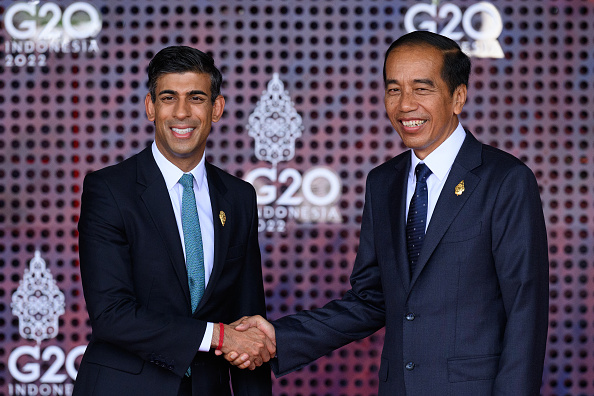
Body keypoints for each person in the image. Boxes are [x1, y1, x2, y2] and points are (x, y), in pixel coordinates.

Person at [226, 31, 549, 395]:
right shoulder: (383, 183)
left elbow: (526, 311)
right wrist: (279, 336)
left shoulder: (505, 180)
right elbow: (372, 298)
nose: (405, 105)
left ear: (458, 96)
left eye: (421, 89)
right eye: (393, 89)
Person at [73, 46, 274, 396]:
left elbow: (248, 323)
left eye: (196, 98)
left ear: (216, 109)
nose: (182, 113)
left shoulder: (240, 196)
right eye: (169, 97)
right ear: (151, 107)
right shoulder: (109, 190)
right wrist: (218, 336)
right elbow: (112, 314)